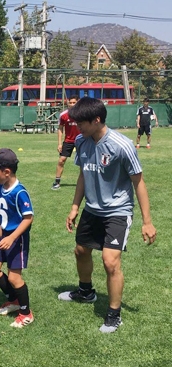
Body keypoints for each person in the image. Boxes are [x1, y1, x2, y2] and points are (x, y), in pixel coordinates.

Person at [58, 97, 156, 333]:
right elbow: (83, 174)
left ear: (97, 120)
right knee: (81, 251)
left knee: (110, 262)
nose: (77, 127)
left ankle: (114, 315)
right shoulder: (82, 141)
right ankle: (86, 292)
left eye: (81, 122)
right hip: (92, 209)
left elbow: (138, 182)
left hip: (118, 212)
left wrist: (148, 222)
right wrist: (74, 207)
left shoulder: (122, 145)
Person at [0, 149, 35, 328]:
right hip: (1, 237)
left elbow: (28, 218)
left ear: (7, 172)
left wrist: (12, 237)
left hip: (16, 239)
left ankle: (26, 313)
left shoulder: (20, 193)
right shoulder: (0, 187)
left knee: (14, 278)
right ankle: (13, 300)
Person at [52, 96, 80, 190]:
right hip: (68, 141)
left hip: (81, 140)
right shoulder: (63, 115)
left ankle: (86, 182)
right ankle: (57, 182)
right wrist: (59, 143)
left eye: (74, 102)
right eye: (70, 102)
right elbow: (60, 128)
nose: (72, 104)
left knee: (84, 162)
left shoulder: (83, 114)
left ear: (78, 102)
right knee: (61, 160)